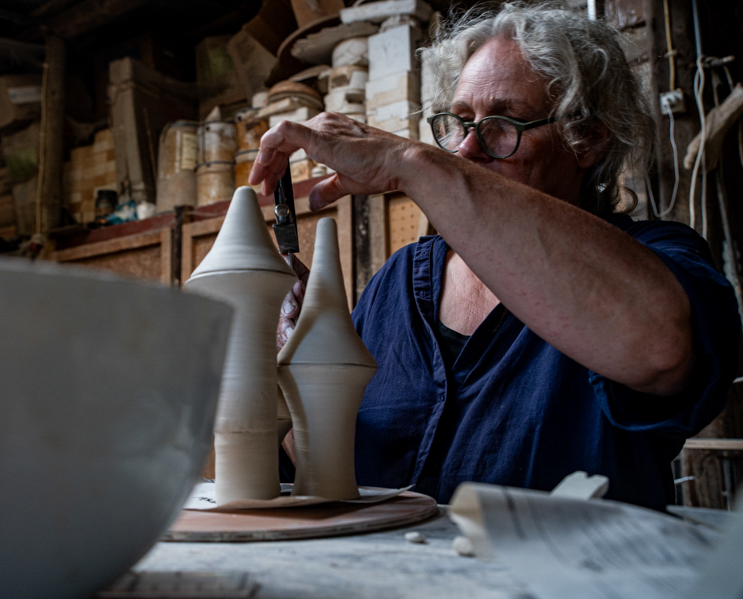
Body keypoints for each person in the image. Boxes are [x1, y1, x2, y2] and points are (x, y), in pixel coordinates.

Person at [251, 2, 740, 511]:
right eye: (459, 122)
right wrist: (291, 374)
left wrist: (411, 161)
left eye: (504, 124)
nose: (466, 149)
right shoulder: (398, 282)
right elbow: (326, 465)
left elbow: (660, 351)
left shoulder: (655, 259)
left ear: (588, 139)